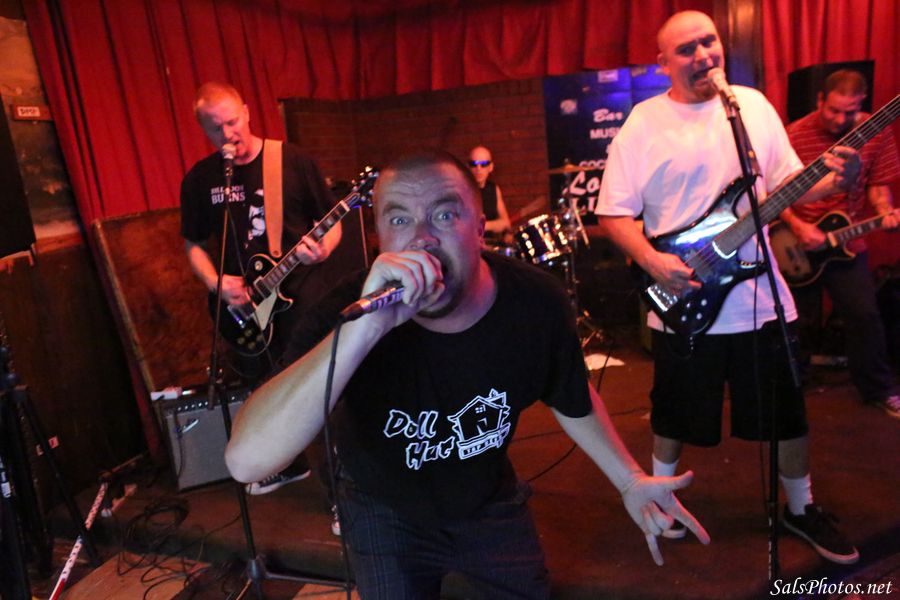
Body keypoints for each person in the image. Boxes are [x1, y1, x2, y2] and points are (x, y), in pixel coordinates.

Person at [225, 150, 709, 599]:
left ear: (480, 228)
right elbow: (247, 463)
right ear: (379, 240)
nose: (422, 237)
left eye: (444, 214)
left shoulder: (534, 302)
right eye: (399, 219)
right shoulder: (346, 310)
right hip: (382, 506)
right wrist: (365, 329)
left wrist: (629, 480)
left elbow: (570, 394)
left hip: (488, 499)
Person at [594, 11, 861, 564]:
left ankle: (800, 507)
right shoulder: (644, 123)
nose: (703, 55)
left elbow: (787, 185)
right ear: (663, 63)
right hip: (685, 294)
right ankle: (661, 498)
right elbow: (612, 213)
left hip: (761, 297)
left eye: (708, 42)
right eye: (686, 49)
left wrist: (838, 179)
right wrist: (653, 260)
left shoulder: (752, 106)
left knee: (788, 411)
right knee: (674, 411)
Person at [180, 82, 342, 495]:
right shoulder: (200, 179)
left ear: (248, 112)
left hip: (301, 295)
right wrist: (215, 282)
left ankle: (343, 492)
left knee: (320, 388)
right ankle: (287, 466)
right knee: (265, 387)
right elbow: (193, 244)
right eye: (215, 127)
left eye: (232, 121)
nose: (227, 134)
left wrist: (323, 248)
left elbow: (332, 219)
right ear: (203, 129)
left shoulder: (292, 161)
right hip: (244, 307)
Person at [781, 69, 899, 418]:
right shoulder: (795, 134)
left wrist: (885, 212)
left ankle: (878, 390)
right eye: (833, 110)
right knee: (797, 321)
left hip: (848, 239)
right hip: (798, 240)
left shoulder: (876, 132)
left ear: (862, 105)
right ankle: (793, 390)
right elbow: (775, 192)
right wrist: (798, 226)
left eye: (849, 112)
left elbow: (878, 186)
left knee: (864, 315)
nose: (839, 119)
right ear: (820, 100)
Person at [468, 145, 513, 246]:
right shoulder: (462, 190)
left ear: (490, 167)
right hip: (470, 247)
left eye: (483, 164)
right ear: (468, 167)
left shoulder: (494, 189)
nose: (478, 169)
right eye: (473, 164)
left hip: (491, 246)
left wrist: (507, 233)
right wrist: (495, 225)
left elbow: (506, 223)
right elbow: (467, 227)